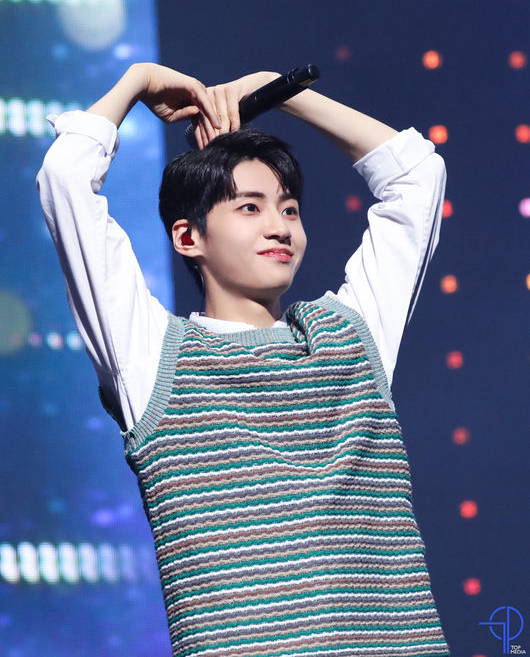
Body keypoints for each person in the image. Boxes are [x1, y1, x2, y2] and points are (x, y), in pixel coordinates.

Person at [37, 62, 450, 656]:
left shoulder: (347, 338)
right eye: (250, 208)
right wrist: (137, 82)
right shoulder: (153, 356)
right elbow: (65, 181)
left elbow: (416, 177)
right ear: (188, 238)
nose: (280, 227)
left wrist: (283, 92)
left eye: (290, 209)